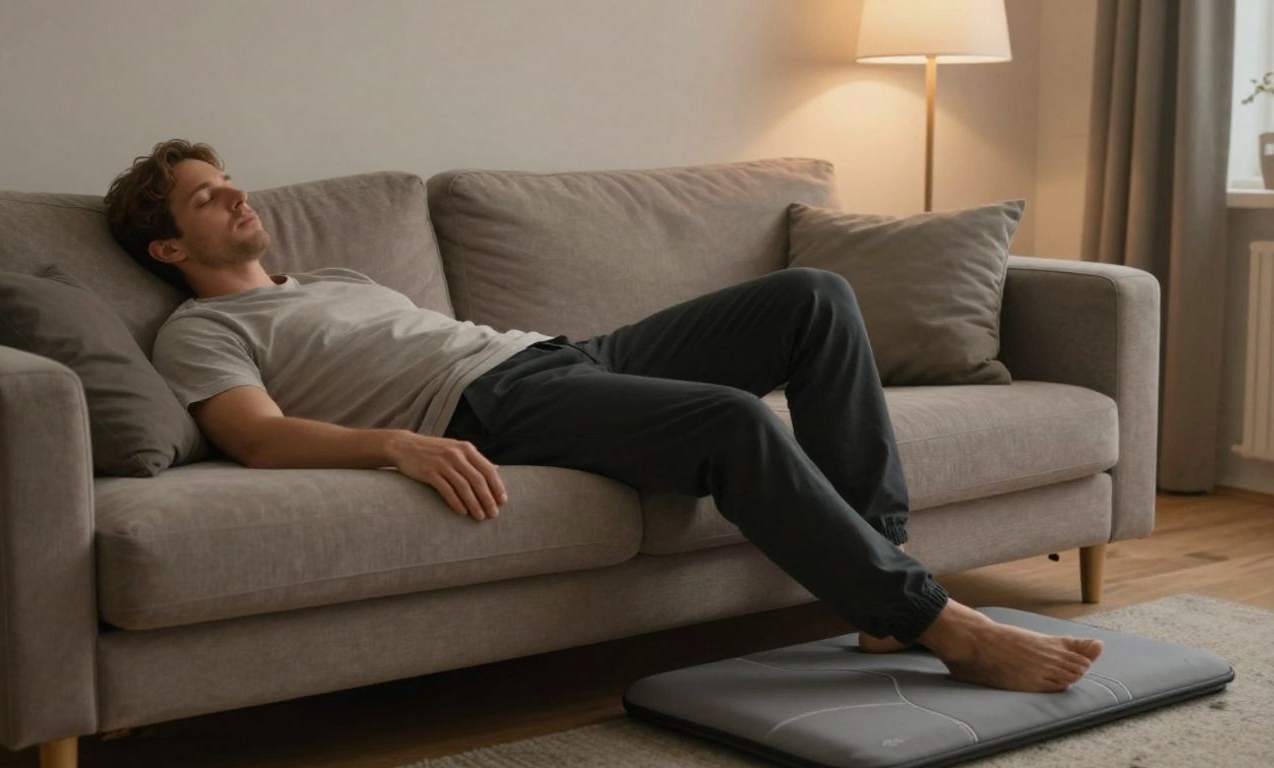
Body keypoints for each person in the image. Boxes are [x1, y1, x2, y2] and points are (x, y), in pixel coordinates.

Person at [105, 139, 1104, 693]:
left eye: (227, 178)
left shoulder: (331, 273)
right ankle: (932, 620)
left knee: (812, 295)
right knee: (731, 422)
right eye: (204, 196)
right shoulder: (201, 332)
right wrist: (399, 446)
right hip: (497, 404)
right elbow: (255, 436)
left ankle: (877, 569)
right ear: (166, 248)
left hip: (560, 354)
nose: (234, 192)